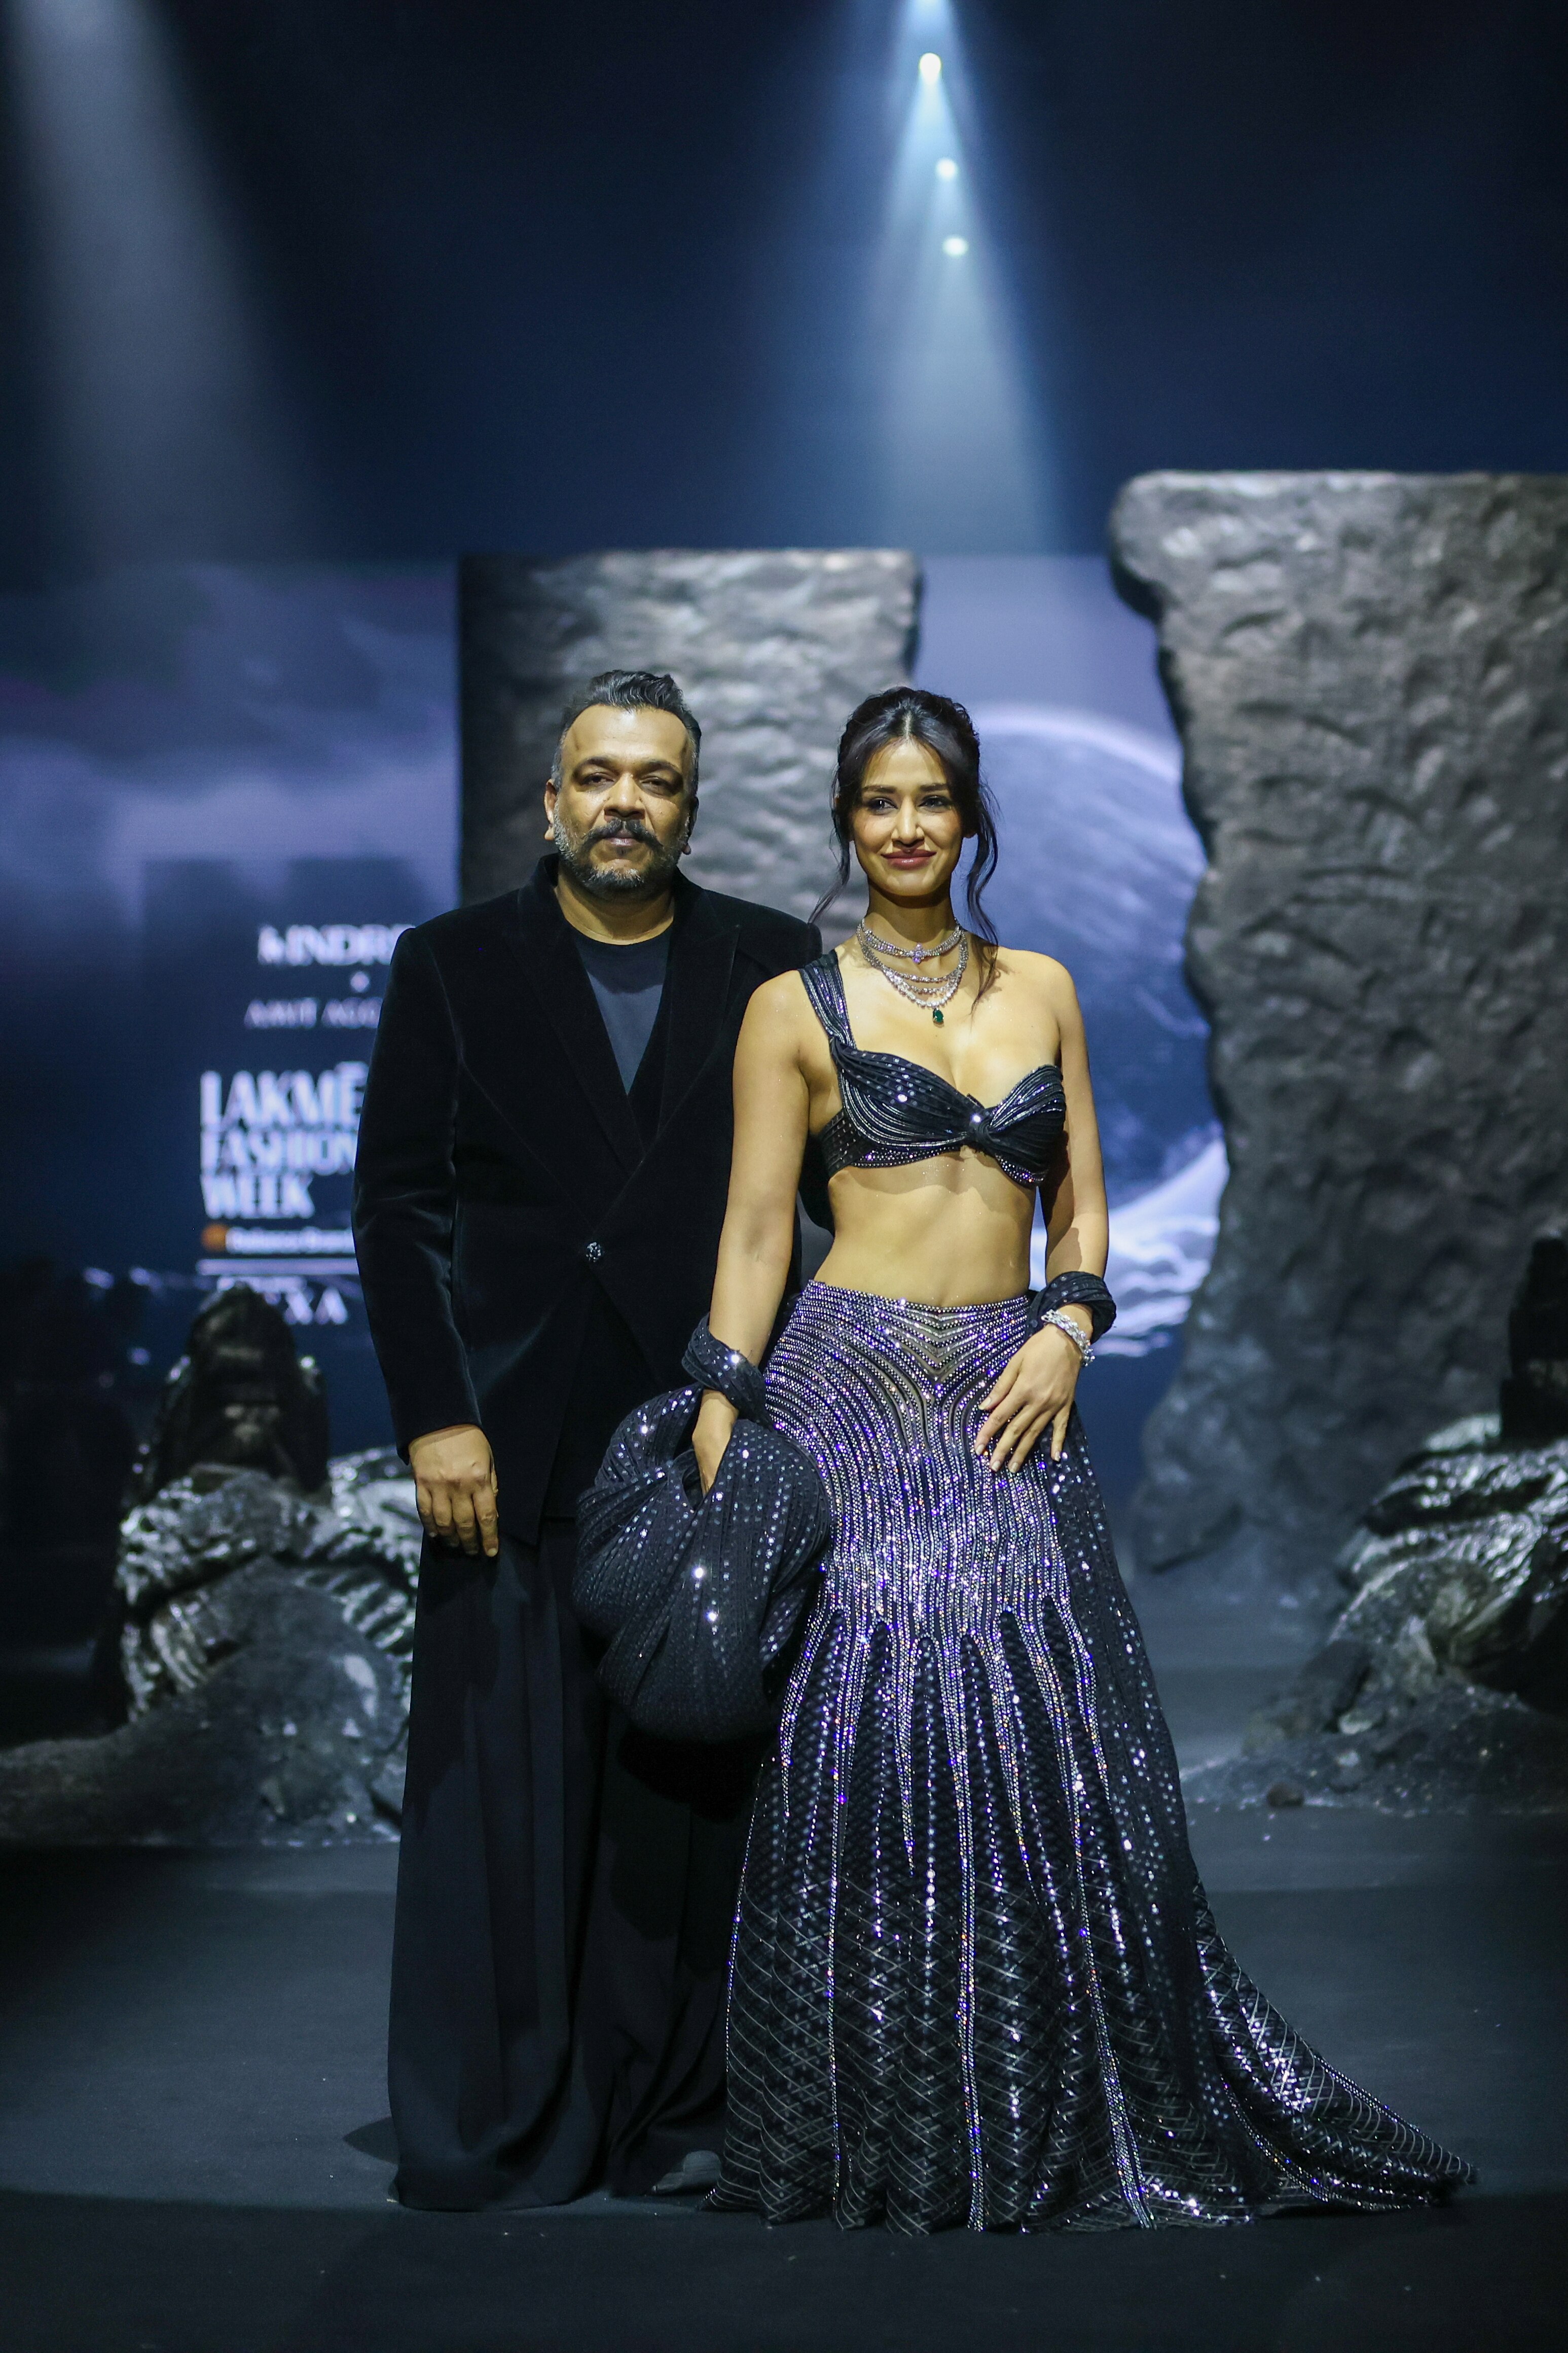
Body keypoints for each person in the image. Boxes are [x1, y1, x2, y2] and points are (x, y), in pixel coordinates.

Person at [691, 686, 1470, 2233]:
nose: (907, 825)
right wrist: (722, 1408)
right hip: (852, 1390)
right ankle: (882, 2117)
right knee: (870, 1741)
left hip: (1014, 1387)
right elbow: (760, 1230)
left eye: (932, 799)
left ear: (972, 816)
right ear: (848, 821)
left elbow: (1085, 1202)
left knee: (1058, 1737)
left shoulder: (1043, 987)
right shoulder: (792, 1006)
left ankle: (1044, 2096)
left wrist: (1069, 1324)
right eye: (878, 801)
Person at [353, 669, 820, 2209]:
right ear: (551, 800)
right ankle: (502, 2108)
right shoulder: (452, 962)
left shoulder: (771, 957)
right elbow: (399, 1210)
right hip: (508, 1440)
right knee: (502, 1799)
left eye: (657, 780)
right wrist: (436, 1414)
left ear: (691, 807)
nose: (628, 802)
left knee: (682, 1796)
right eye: (600, 776)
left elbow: (817, 1196)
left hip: (699, 1429)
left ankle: (668, 2102)